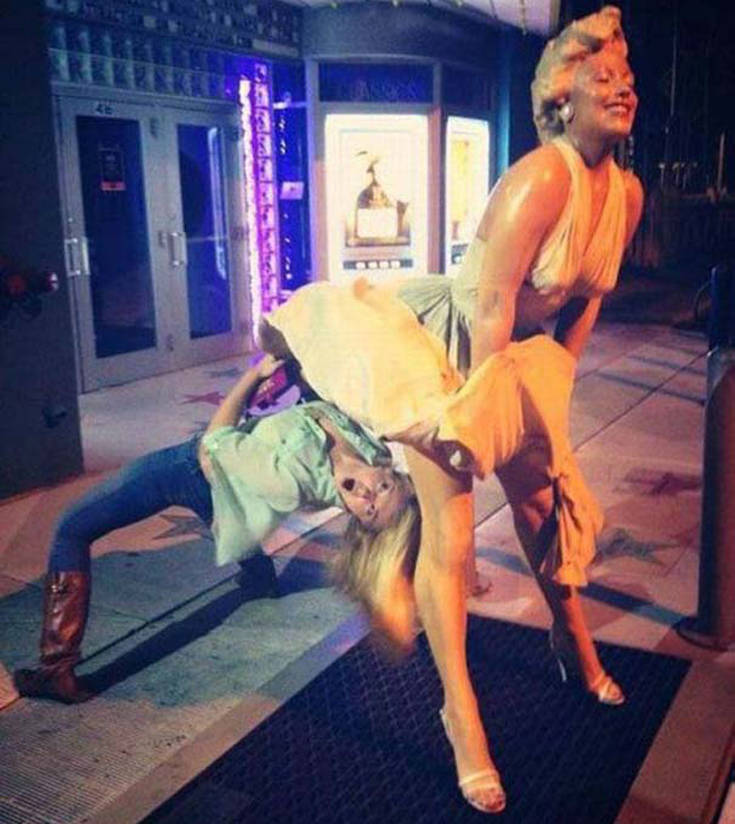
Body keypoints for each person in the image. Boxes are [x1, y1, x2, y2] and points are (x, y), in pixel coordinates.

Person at [13, 353, 415, 705]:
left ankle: (56, 668)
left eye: (369, 511)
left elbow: (214, 442)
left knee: (71, 529)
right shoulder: (370, 448)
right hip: (226, 486)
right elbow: (318, 403)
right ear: (389, 471)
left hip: (188, 468)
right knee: (232, 517)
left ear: (357, 522)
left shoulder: (292, 480)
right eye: (383, 488)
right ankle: (261, 580)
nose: (368, 495)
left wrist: (254, 376)